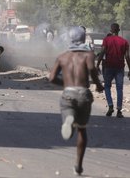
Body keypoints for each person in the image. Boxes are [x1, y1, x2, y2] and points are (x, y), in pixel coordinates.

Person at [49, 26, 104, 175]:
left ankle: (68, 118)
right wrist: (99, 86)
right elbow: (92, 70)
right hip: (83, 94)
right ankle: (78, 166)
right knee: (82, 129)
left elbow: (52, 78)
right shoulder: (88, 55)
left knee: (68, 113)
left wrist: (66, 85)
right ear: (83, 38)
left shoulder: (62, 57)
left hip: (68, 94)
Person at [96, 23, 130, 118]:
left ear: (111, 30)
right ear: (119, 30)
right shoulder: (124, 42)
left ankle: (110, 105)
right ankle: (119, 110)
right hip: (119, 67)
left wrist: (97, 64)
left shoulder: (106, 40)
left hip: (109, 67)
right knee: (119, 88)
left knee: (107, 86)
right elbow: (127, 56)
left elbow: (102, 52)